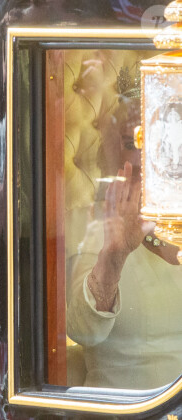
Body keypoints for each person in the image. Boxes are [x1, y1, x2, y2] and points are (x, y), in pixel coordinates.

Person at [66, 66, 182, 390]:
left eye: (161, 140)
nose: (148, 156)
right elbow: (83, 330)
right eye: (133, 141)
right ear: (112, 151)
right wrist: (114, 256)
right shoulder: (84, 223)